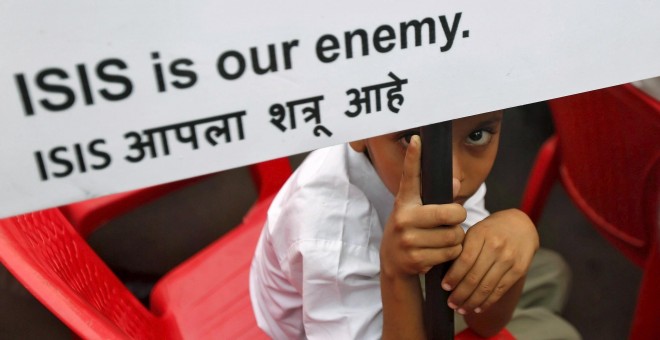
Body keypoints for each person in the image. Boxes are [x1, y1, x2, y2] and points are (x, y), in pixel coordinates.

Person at [250, 110, 580, 339]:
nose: (454, 180)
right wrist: (397, 272)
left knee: (547, 272)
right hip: (345, 321)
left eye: (478, 135)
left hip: (393, 284)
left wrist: (519, 227)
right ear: (356, 130)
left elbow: (486, 322)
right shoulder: (329, 237)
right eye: (410, 139)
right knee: (558, 332)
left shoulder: (441, 151)